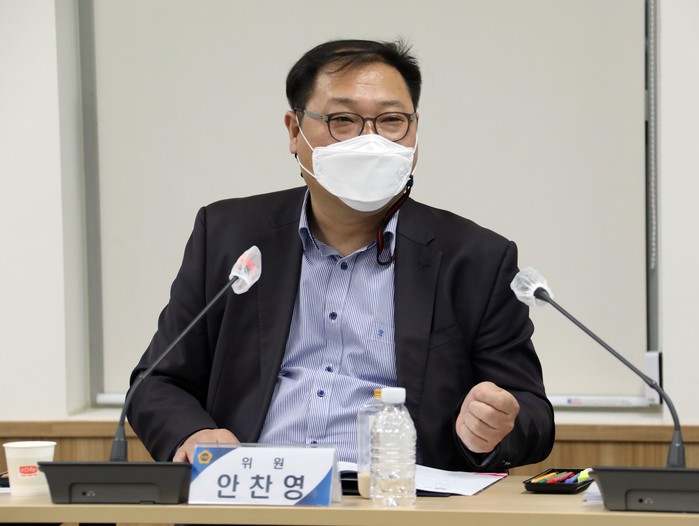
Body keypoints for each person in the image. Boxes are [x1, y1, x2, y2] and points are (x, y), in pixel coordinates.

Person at [127, 38, 554, 472]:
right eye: (342, 120)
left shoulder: (476, 258)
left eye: (391, 120)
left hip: (398, 498)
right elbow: (157, 381)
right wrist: (194, 433)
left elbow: (532, 415)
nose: (369, 140)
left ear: (415, 132)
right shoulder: (228, 235)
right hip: (257, 490)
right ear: (294, 131)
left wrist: (496, 426)